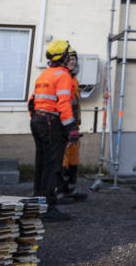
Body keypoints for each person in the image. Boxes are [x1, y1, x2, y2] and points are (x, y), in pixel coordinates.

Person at [28, 40, 80, 221]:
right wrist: (71, 128)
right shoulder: (63, 76)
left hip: (38, 121)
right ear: (63, 56)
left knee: (41, 164)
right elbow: (64, 103)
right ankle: (49, 207)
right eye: (68, 55)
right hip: (51, 123)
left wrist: (37, 119)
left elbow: (32, 102)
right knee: (53, 165)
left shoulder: (44, 75)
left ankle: (37, 202)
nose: (70, 58)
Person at [58, 49, 88, 203]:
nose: (73, 61)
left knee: (73, 158)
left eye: (75, 59)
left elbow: (75, 104)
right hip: (64, 127)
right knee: (63, 159)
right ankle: (60, 191)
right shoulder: (62, 78)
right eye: (70, 58)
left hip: (74, 127)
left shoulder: (74, 80)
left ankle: (70, 190)